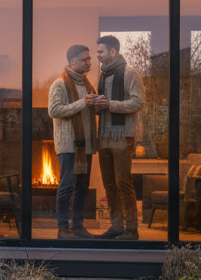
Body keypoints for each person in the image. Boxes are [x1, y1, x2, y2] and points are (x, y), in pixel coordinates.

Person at [91, 35, 145, 240]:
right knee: (109, 184)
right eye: (97, 52)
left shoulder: (130, 73)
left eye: (101, 52)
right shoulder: (103, 75)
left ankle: (131, 230)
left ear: (113, 52)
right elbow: (105, 105)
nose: (98, 56)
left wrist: (109, 104)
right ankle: (116, 227)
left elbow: (138, 102)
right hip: (104, 138)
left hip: (123, 138)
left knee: (123, 183)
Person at [47, 45, 97, 238]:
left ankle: (78, 227)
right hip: (68, 145)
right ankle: (62, 229)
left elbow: (87, 108)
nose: (89, 62)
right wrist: (82, 102)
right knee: (67, 186)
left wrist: (97, 103)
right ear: (72, 62)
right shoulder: (59, 84)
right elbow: (54, 111)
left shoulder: (87, 83)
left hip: (86, 145)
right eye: (85, 59)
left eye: (89, 59)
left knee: (83, 187)